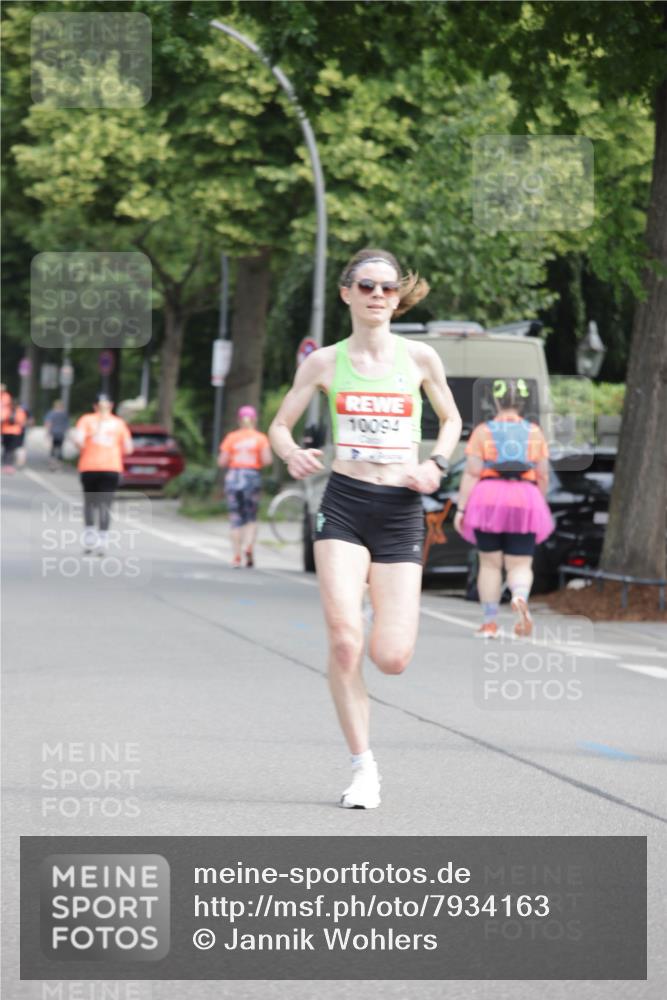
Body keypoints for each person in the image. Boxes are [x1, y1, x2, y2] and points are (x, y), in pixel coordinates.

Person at [269, 248, 462, 809]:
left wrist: (437, 464)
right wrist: (291, 453)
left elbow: (450, 419)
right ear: (347, 293)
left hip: (401, 508)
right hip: (346, 504)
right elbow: (281, 425)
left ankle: (371, 609)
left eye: (387, 288)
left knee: (392, 657)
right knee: (345, 642)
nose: (378, 295)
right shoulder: (325, 363)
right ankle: (363, 768)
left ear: (398, 298)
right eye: (367, 285)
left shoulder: (421, 358)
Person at [453, 377, 554, 639]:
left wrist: (462, 509)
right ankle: (519, 596)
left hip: (488, 497)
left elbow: (472, 473)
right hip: (525, 497)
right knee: (520, 563)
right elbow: (542, 474)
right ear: (522, 403)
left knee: (489, 564)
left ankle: (489, 623)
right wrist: (537, 503)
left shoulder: (483, 432)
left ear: (496, 401)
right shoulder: (534, 432)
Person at [73, 394, 133, 554]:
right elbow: (128, 448)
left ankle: (89, 538)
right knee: (105, 505)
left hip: (89, 466)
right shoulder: (119, 423)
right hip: (111, 467)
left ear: (95, 406)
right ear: (111, 406)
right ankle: (103, 541)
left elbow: (78, 441)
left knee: (90, 503)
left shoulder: (86, 420)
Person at [218, 405, 272, 568]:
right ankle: (248, 547)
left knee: (236, 518)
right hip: (251, 477)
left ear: (239, 420)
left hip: (234, 477)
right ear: (254, 420)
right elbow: (267, 460)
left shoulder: (232, 437)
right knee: (250, 517)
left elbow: (221, 462)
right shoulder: (260, 438)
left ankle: (236, 556)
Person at [1, 385, 27, 474]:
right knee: (12, 449)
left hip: (5, 431)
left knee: (6, 448)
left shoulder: (7, 410)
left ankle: (5, 464)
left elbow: (2, 419)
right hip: (15, 432)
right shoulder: (20, 411)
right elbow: (22, 422)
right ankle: (9, 465)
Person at [44, 399, 70, 470]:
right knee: (60, 448)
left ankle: (52, 464)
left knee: (53, 448)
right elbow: (67, 425)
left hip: (53, 433)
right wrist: (68, 434)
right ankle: (59, 464)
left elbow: (48, 423)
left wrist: (47, 432)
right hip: (61, 433)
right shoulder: (64, 413)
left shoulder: (51, 413)